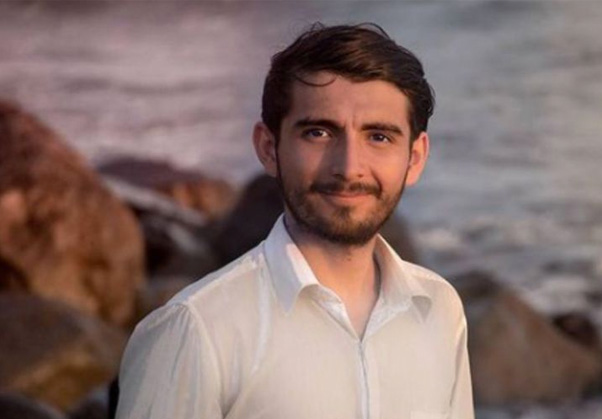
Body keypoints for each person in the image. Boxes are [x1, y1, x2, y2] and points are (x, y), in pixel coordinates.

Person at [116, 23, 474, 419]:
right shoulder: (195, 329)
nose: (349, 167)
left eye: (379, 137)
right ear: (269, 148)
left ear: (415, 158)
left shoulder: (440, 310)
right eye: (318, 132)